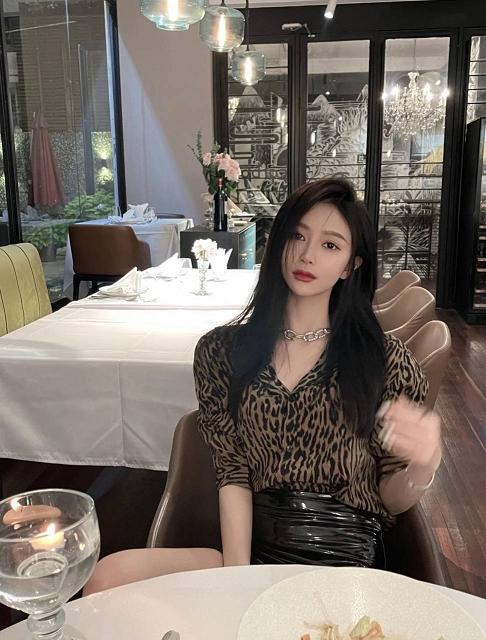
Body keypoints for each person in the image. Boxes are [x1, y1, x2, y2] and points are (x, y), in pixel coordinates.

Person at [84, 177, 441, 594]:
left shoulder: (384, 360)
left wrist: (423, 465)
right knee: (108, 578)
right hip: (255, 553)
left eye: (330, 245)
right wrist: (240, 581)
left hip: (346, 568)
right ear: (276, 241)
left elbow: (391, 498)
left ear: (350, 265)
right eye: (297, 236)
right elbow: (233, 475)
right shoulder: (222, 351)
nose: (307, 254)